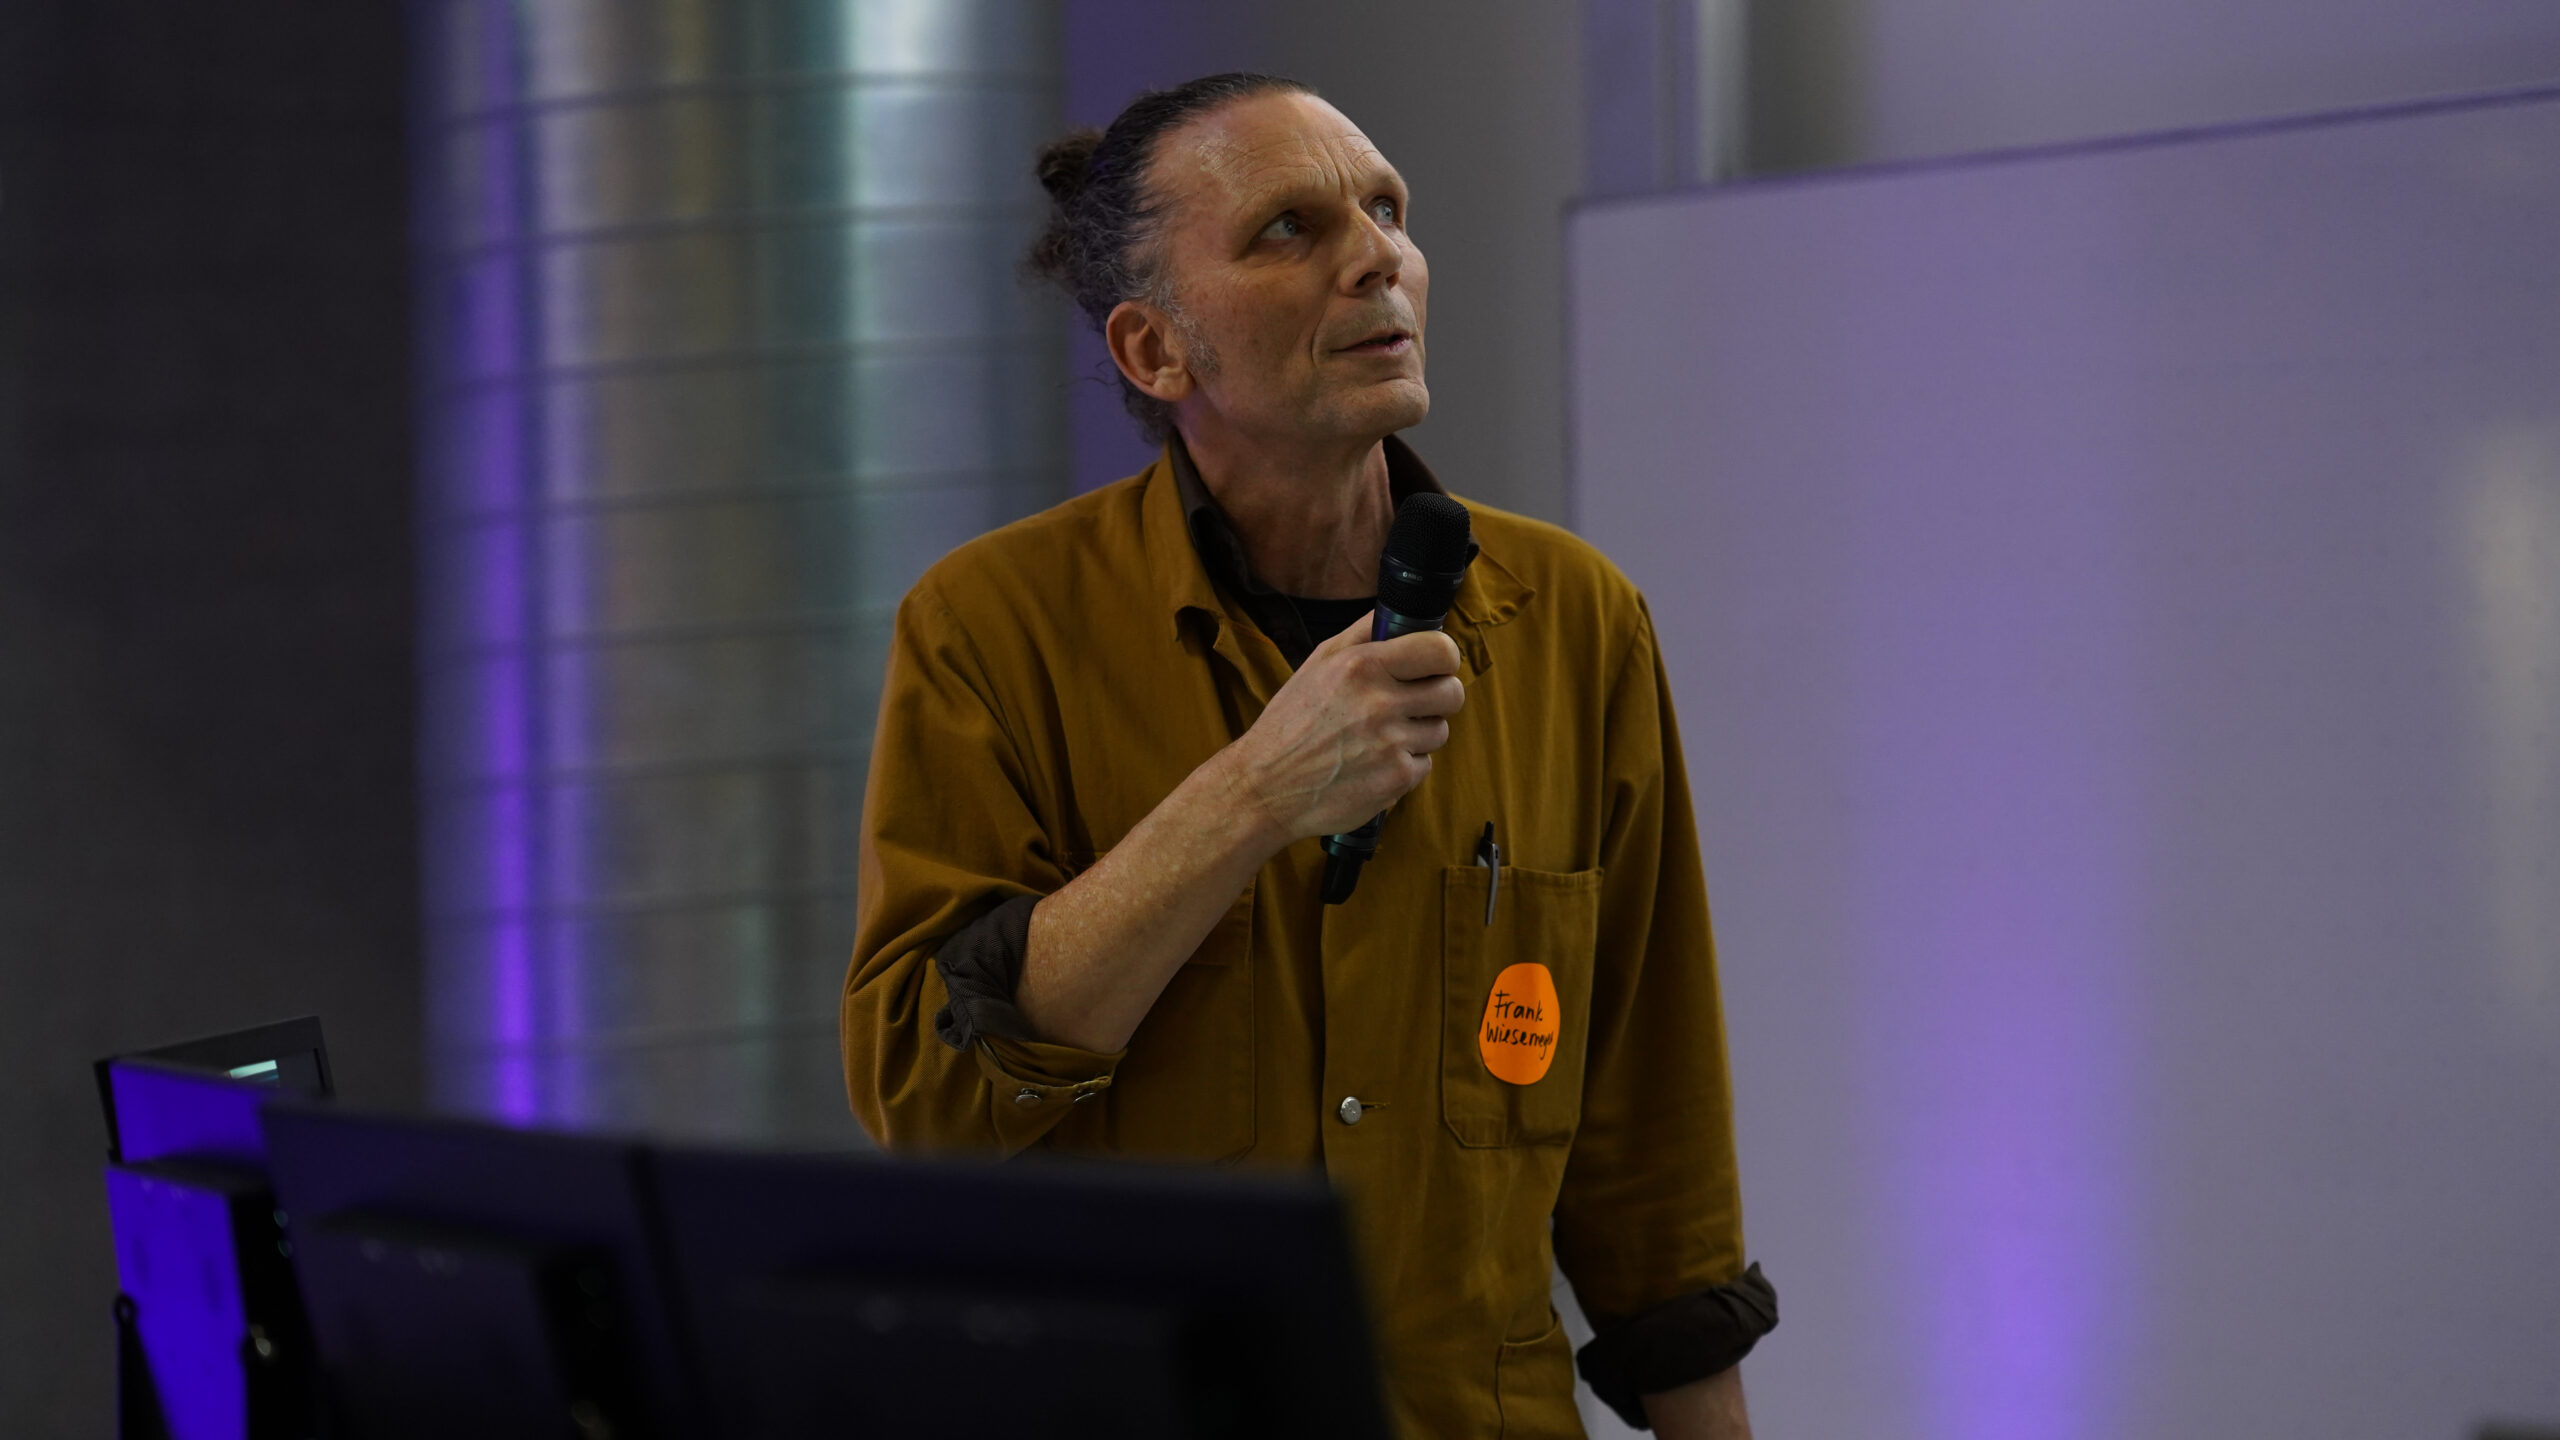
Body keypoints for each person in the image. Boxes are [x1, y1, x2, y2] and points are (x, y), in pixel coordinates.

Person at [841, 73, 1775, 1439]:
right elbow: (928, 1091)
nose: (1376, 256)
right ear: (1156, 352)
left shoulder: (1577, 619)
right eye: (1289, 229)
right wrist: (1253, 791)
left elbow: (1656, 1140)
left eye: (1386, 209)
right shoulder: (992, 626)